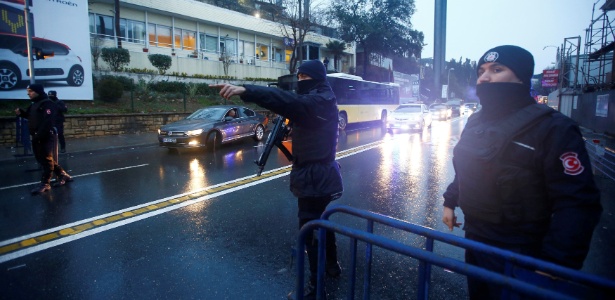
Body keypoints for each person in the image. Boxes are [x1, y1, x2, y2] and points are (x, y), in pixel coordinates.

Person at [441, 45, 602, 299]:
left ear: (521, 77)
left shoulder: (554, 128)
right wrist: (449, 202)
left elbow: (578, 202)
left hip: (523, 252)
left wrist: (556, 262)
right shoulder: (476, 121)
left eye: (497, 69)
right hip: (475, 241)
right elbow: (468, 167)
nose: (485, 77)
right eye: (481, 71)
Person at [212, 60, 343, 300]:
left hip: (315, 179)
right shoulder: (320, 98)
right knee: (321, 222)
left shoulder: (319, 101)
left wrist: (246, 90)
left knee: (309, 231)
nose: (300, 81)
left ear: (316, 78)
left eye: (305, 77)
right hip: (319, 175)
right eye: (299, 76)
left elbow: (286, 100)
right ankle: (332, 266)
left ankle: (316, 288)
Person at [15, 84, 73, 195]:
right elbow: (31, 117)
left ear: (38, 91)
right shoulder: (34, 104)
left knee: (46, 159)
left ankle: (45, 183)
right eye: (28, 91)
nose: (28, 93)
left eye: (31, 91)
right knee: (44, 159)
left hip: (45, 136)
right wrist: (22, 113)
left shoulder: (47, 104)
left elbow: (48, 121)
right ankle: (62, 174)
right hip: (36, 136)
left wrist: (39, 135)